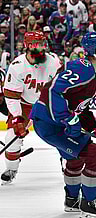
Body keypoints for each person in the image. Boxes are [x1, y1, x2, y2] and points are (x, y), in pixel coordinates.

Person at [29, 32, 96, 218]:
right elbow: (53, 92)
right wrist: (69, 120)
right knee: (94, 154)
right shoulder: (82, 68)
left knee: (74, 156)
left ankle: (72, 200)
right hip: (49, 124)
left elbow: (80, 110)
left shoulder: (93, 78)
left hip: (54, 123)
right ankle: (89, 205)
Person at [1, 31, 62, 185]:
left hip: (48, 104)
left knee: (63, 134)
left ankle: (68, 163)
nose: (42, 48)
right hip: (25, 105)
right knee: (12, 137)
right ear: (28, 46)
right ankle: (12, 168)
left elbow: (61, 88)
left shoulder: (53, 62)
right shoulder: (17, 66)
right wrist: (17, 118)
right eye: (37, 44)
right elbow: (11, 96)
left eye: (43, 44)